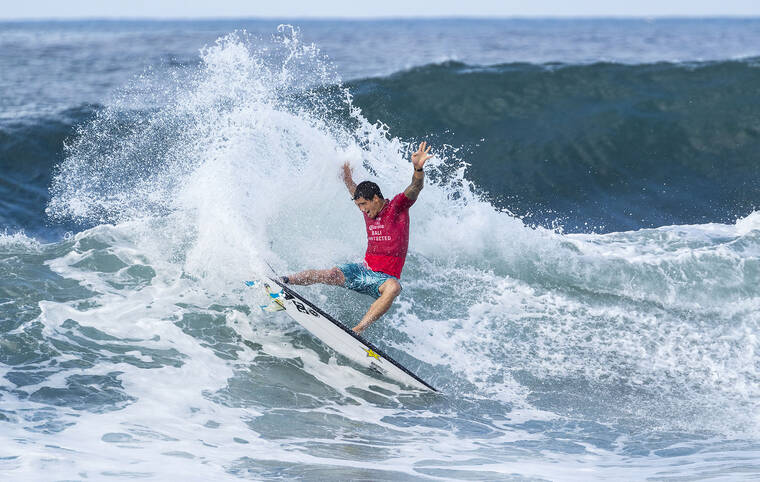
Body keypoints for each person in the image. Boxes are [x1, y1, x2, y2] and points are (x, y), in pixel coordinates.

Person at [280, 142, 433, 334]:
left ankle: (357, 330)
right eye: (358, 205)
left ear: (376, 199)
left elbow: (415, 187)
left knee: (394, 287)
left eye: (363, 204)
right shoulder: (368, 210)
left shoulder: (397, 207)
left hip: (382, 280)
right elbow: (352, 188)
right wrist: (346, 173)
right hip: (362, 270)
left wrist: (418, 168)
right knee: (330, 274)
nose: (361, 209)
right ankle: (284, 281)